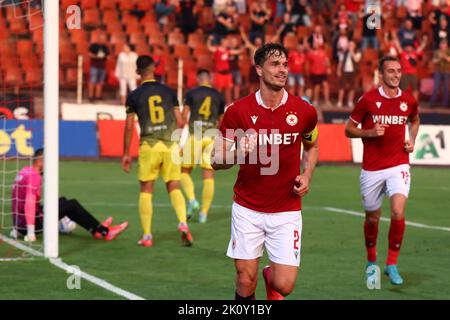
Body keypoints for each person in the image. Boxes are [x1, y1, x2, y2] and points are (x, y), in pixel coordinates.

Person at [211, 43, 319, 300]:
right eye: (274, 64)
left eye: (284, 64)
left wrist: (307, 174)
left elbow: (312, 146)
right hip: (248, 208)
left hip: (287, 210)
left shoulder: (304, 111)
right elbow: (215, 159)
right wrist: (238, 153)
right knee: (245, 279)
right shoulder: (237, 111)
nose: (282, 70)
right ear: (259, 69)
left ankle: (271, 278)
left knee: (285, 286)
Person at [345, 56, 420, 285]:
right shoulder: (367, 100)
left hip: (399, 164)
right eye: (391, 71)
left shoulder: (408, 100)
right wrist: (369, 133)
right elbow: (349, 130)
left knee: (398, 211)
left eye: (398, 71)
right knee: (372, 217)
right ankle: (371, 260)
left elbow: (415, 120)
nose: (396, 75)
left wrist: (411, 140)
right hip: (372, 168)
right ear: (381, 73)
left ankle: (391, 264)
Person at [121, 55, 193, 248]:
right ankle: (183, 224)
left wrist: (126, 153)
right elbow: (180, 122)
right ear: (154, 69)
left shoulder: (134, 96)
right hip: (170, 146)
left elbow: (129, 126)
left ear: (138, 72)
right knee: (174, 186)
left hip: (149, 146)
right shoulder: (169, 92)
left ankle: (147, 236)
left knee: (146, 189)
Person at [10, 149, 128, 242]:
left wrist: (17, 227)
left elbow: (17, 201)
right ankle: (105, 232)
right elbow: (29, 204)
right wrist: (30, 232)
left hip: (20, 223)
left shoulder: (25, 171)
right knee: (72, 205)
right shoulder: (34, 177)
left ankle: (95, 229)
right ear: (41, 160)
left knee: (63, 201)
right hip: (29, 224)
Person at [180, 69, 226, 223]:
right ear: (210, 78)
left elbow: (184, 116)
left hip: (196, 134)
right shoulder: (219, 96)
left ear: (198, 78)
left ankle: (192, 201)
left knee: (183, 171)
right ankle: (204, 213)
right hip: (211, 135)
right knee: (208, 175)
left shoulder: (192, 93)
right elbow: (223, 121)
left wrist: (180, 135)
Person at [88, 33, 110, 102]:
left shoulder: (105, 47)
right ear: (98, 39)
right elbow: (89, 54)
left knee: (100, 82)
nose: (102, 40)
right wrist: (97, 56)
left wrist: (104, 57)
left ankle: (98, 96)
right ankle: (91, 96)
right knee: (93, 81)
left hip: (102, 67)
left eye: (103, 39)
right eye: (101, 38)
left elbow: (108, 56)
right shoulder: (93, 46)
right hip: (94, 66)